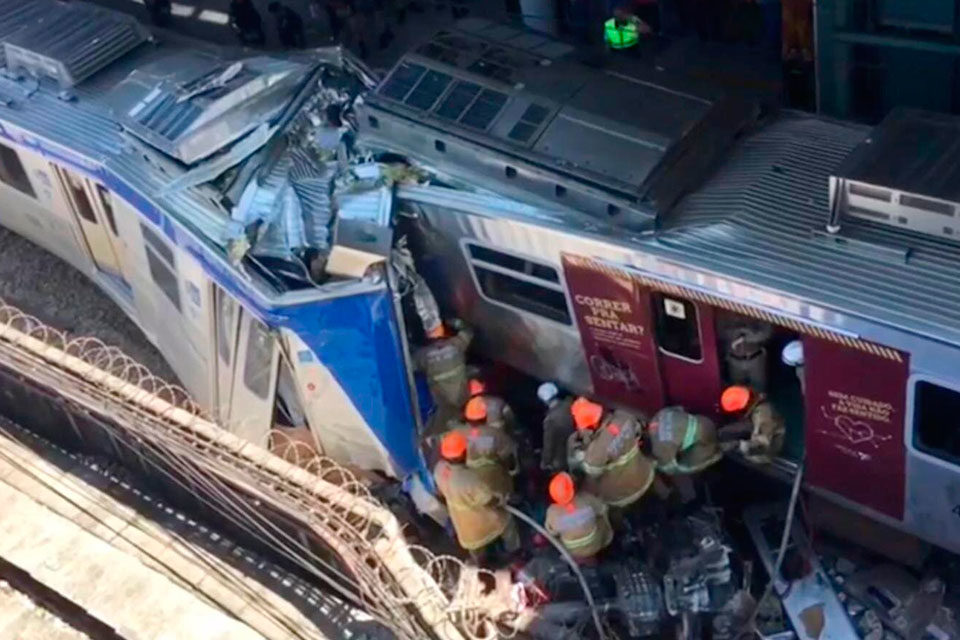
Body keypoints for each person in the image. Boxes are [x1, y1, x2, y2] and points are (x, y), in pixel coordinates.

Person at [434, 431, 519, 560]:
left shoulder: (439, 470)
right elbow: (489, 500)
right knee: (507, 522)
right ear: (464, 453)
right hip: (484, 523)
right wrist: (503, 499)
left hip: (464, 529)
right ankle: (515, 552)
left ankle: (482, 566)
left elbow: (439, 493)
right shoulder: (470, 479)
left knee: (476, 551)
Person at [569, 397, 656, 509]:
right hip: (645, 472)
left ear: (591, 426)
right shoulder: (625, 417)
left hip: (621, 495)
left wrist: (581, 450)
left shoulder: (595, 455)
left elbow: (591, 472)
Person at [414, 319, 473, 436]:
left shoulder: (422, 355)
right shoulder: (456, 344)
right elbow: (469, 331)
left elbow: (406, 367)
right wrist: (453, 321)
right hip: (463, 400)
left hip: (443, 405)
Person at [544, 472, 613, 563]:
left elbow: (551, 532)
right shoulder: (586, 499)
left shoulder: (553, 511)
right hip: (595, 544)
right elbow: (603, 508)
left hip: (572, 551)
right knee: (601, 517)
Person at [718, 385, 785, 464]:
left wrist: (738, 445)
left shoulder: (762, 417)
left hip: (767, 450)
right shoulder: (756, 399)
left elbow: (762, 446)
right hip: (761, 428)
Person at [647, 406, 723, 474]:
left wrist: (656, 465)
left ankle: (714, 457)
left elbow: (670, 469)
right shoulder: (660, 414)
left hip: (702, 443)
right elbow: (682, 408)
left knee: (684, 467)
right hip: (706, 421)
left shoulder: (659, 448)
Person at [538, 382, 576, 472]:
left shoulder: (550, 420)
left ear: (544, 401)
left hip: (562, 457)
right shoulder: (570, 404)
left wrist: (545, 462)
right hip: (574, 448)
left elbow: (548, 445)